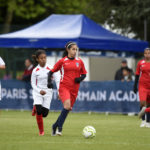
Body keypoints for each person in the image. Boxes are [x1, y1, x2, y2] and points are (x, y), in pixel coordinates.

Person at [47, 41, 87, 136]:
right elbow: (50, 72)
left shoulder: (79, 61)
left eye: (76, 49)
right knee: (67, 106)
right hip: (64, 87)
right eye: (73, 49)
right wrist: (49, 82)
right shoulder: (62, 61)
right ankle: (59, 129)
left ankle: (54, 125)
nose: (74, 51)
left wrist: (80, 78)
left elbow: (84, 74)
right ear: (68, 49)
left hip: (74, 89)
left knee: (67, 109)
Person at [31, 50, 60, 136]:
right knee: (39, 111)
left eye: (45, 58)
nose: (43, 60)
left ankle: (35, 108)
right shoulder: (35, 70)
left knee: (45, 114)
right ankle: (41, 131)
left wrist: (59, 91)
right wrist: (39, 91)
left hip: (48, 93)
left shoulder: (51, 68)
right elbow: (33, 83)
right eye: (41, 58)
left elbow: (58, 79)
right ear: (37, 59)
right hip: (38, 92)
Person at [134, 48, 150, 128]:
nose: (147, 55)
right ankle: (143, 121)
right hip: (142, 85)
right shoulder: (140, 63)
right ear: (144, 54)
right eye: (146, 53)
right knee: (143, 103)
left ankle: (148, 122)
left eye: (149, 53)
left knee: (149, 104)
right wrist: (135, 85)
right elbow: (137, 74)